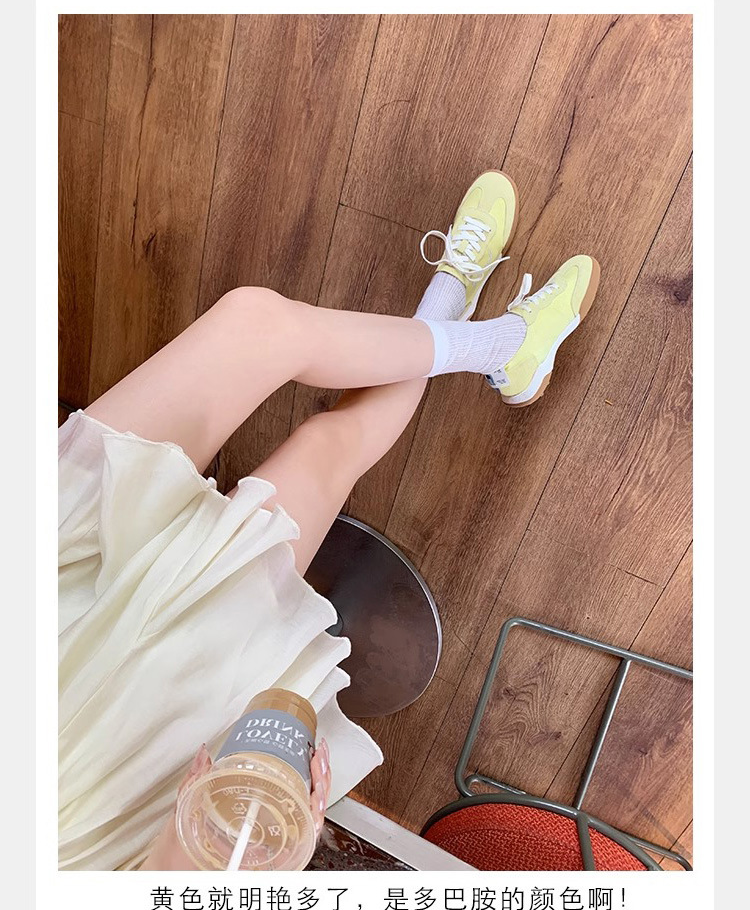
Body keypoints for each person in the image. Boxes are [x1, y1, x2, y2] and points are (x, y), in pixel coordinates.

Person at [58, 171, 600, 869]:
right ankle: (467, 315)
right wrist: (246, 863)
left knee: (254, 325)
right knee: (325, 448)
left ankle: (489, 340)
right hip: (106, 754)